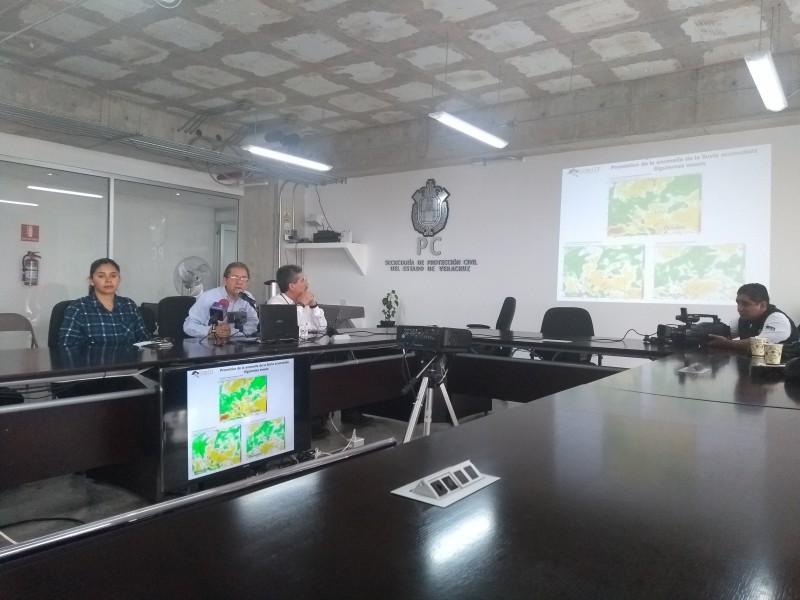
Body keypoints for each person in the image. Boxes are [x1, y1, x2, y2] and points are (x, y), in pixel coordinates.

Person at [267, 264, 372, 438]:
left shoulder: (306, 303)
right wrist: (301, 304)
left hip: (311, 350)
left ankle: (350, 411)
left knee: (347, 363)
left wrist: (314, 306)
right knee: (317, 375)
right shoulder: (275, 303)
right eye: (302, 280)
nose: (307, 283)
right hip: (288, 355)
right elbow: (292, 328)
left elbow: (322, 327)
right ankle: (314, 421)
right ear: (292, 286)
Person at [58, 258, 151, 346]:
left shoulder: (129, 306)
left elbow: (145, 340)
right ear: (91, 281)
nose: (108, 280)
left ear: (119, 279)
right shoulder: (77, 309)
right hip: (93, 362)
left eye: (113, 276)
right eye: (101, 276)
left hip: (128, 362)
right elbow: (67, 347)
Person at [708, 283, 799, 351]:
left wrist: (725, 343)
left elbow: (759, 344)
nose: (739, 308)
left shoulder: (777, 319)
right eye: (738, 303)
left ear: (762, 306)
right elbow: (726, 334)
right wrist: (704, 333)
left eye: (745, 304)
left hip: (784, 374)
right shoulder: (741, 319)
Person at [183, 262, 259, 339]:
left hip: (238, 346)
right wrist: (211, 331)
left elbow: (253, 324)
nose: (239, 282)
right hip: (209, 346)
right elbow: (188, 325)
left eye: (244, 279)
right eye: (235, 278)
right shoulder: (208, 297)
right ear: (225, 280)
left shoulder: (248, 298)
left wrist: (231, 332)